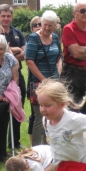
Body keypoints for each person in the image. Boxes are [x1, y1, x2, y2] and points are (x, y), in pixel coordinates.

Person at [36, 78, 86, 166]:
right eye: (41, 105)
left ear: (62, 104)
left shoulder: (72, 119)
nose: (43, 109)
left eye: (47, 105)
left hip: (85, 163)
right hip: (64, 166)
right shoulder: (46, 120)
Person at [25, 10, 61, 146]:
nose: (46, 28)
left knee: (54, 114)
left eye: (50, 26)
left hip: (54, 81)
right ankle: (36, 149)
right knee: (39, 117)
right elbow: (29, 61)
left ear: (54, 26)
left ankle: (51, 146)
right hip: (38, 83)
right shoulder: (34, 38)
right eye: (44, 24)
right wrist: (44, 80)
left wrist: (58, 74)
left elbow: (59, 57)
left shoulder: (56, 38)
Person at [0, 4, 26, 150]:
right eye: (3, 15)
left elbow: (25, 54)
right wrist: (14, 51)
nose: (6, 18)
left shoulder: (17, 33)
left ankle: (15, 142)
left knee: (17, 107)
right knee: (1, 113)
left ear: (12, 16)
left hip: (17, 75)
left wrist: (8, 53)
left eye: (8, 16)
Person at [26, 16, 42, 145]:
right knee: (36, 116)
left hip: (49, 81)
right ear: (32, 28)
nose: (39, 26)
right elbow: (28, 60)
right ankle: (34, 145)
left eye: (41, 24)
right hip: (35, 83)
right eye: (36, 25)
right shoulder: (32, 40)